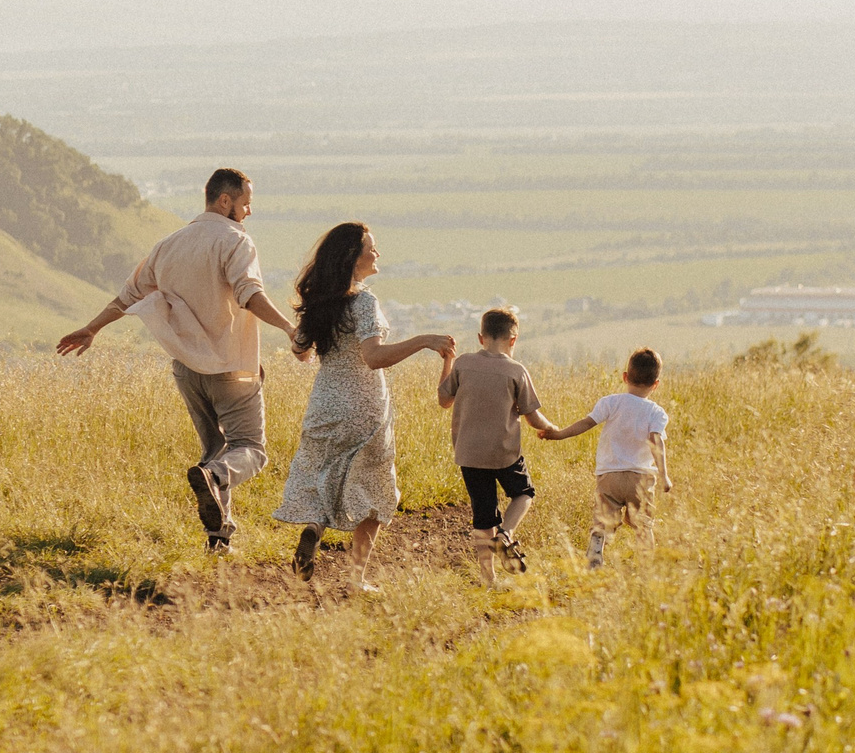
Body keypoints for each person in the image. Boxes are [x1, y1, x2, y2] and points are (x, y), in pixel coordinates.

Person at [57, 167, 298, 552]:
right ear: (225, 200)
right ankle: (215, 479)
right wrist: (289, 328)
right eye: (246, 203)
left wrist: (92, 328)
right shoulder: (236, 240)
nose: (248, 211)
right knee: (250, 450)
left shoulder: (168, 244)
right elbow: (249, 293)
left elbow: (126, 297)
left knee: (214, 451)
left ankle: (218, 540)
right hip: (230, 367)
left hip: (186, 370)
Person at [271, 222, 456, 591]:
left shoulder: (320, 301)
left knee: (323, 476)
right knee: (375, 491)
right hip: (365, 409)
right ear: (353, 259)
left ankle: (315, 526)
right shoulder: (364, 302)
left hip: (324, 405)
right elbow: (373, 357)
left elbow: (300, 349)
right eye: (371, 248)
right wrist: (423, 341)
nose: (377, 254)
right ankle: (357, 579)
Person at [437, 305, 563, 584]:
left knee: (483, 517)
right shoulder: (516, 370)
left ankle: (488, 579)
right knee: (524, 493)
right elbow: (532, 417)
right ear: (513, 339)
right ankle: (506, 534)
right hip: (504, 452)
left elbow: (444, 400)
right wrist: (552, 429)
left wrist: (448, 361)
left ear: (480, 337)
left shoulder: (463, 364)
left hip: (469, 453)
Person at [538, 347, 672, 568]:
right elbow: (656, 441)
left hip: (609, 475)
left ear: (625, 377)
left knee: (603, 520)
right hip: (640, 478)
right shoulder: (656, 412)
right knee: (643, 524)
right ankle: (647, 565)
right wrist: (664, 475)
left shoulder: (610, 402)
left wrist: (559, 434)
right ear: (656, 384)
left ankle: (596, 550)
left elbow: (586, 423)